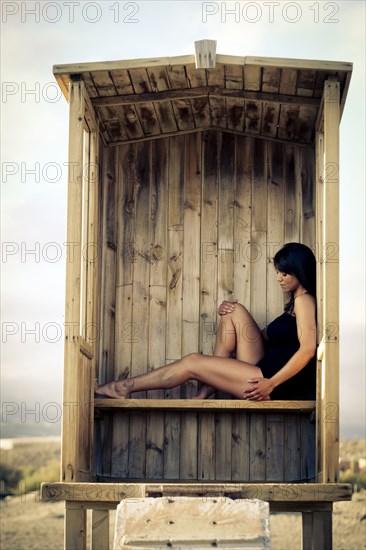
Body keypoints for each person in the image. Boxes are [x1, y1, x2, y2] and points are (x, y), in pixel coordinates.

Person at [95, 242, 317, 401]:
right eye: (277, 272)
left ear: (299, 271)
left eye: (284, 274)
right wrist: (229, 315)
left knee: (192, 362)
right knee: (234, 310)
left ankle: (121, 387)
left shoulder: (304, 300)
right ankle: (209, 384)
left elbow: (307, 350)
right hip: (264, 368)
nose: (279, 278)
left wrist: (271, 383)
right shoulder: (294, 304)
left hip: (271, 383)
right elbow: (263, 335)